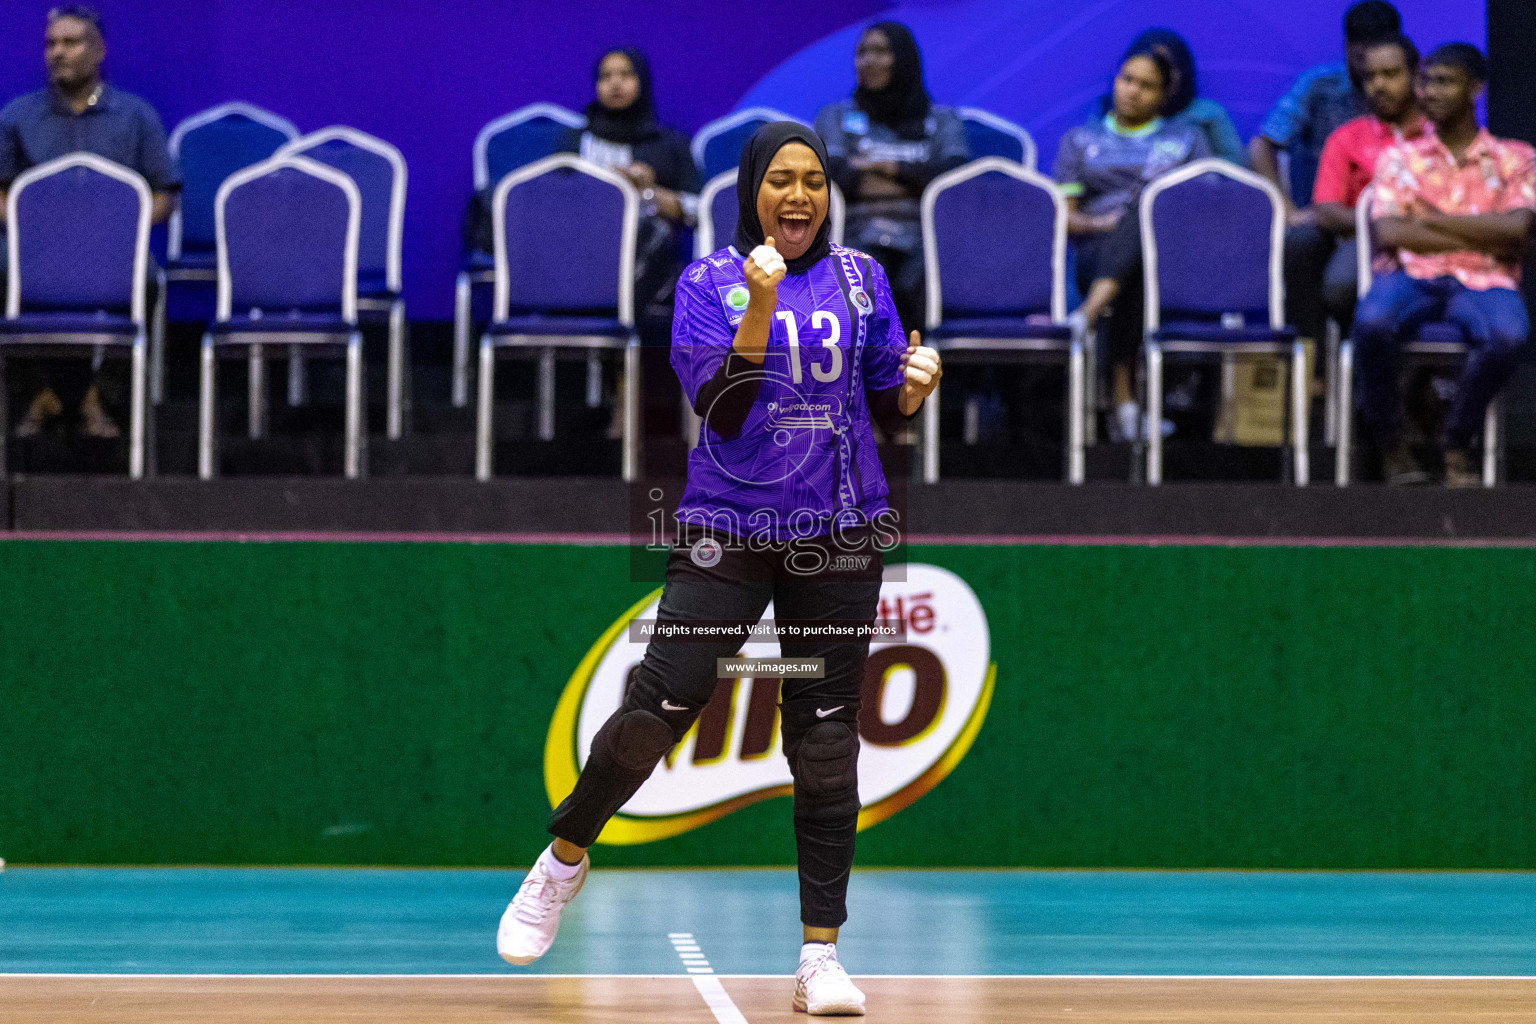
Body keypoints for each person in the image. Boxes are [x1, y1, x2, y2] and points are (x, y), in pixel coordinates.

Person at [494, 123, 942, 1017]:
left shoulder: (863, 279)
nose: (800, 196)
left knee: (823, 740)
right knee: (660, 705)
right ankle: (563, 859)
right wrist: (760, 308)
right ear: (750, 192)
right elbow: (724, 412)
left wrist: (914, 387)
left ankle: (821, 957)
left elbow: (886, 401)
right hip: (727, 528)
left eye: (814, 180)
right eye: (781, 180)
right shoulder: (705, 282)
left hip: (840, 533)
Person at [1354, 43, 1533, 487]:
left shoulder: (1517, 158)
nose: (1430, 92)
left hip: (1485, 279)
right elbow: (1393, 234)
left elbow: (1516, 231)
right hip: (1410, 275)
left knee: (1509, 335)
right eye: (1426, 82)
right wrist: (1481, 227)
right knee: (1372, 321)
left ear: (1475, 89)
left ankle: (1455, 440)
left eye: (1444, 82)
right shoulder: (1400, 158)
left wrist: (1433, 221)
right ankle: (1393, 442)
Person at [0, 6, 178, 440]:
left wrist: (117, 230)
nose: (57, 53)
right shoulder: (17, 117)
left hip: (112, 252)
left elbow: (164, 195)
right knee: (0, 272)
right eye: (50, 44)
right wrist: (29, 227)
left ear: (99, 51)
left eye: (71, 42)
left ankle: (103, 397)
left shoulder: (136, 116)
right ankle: (38, 395)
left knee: (149, 279)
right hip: (36, 251)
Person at [1057, 47, 1209, 442]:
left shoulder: (1187, 140)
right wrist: (1100, 222)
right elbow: (1064, 215)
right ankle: (1129, 407)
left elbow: (1204, 208)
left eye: (1146, 85)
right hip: (1096, 248)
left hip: (1171, 253)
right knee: (1136, 265)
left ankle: (1088, 318)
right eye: (1127, 79)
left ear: (1164, 95)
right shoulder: (1080, 139)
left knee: (1147, 208)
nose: (1133, 91)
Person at [1251, 1, 1402, 345]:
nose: (1373, 73)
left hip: (1389, 219)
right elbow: (1263, 143)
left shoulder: (1411, 93)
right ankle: (1311, 360)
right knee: (1299, 245)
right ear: (1348, 47)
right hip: (1324, 214)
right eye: (1361, 52)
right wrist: (1286, 208)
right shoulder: (1319, 87)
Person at [815, 21, 969, 332]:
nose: (868, 61)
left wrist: (887, 168)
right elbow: (836, 178)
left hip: (926, 237)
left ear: (904, 57)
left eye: (880, 52)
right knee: (865, 276)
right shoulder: (835, 117)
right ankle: (863, 379)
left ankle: (922, 377)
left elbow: (955, 181)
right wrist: (917, 184)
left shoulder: (942, 121)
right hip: (858, 233)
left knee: (924, 280)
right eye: (862, 52)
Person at [559, 47, 700, 336]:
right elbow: (555, 203)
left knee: (654, 232)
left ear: (642, 82)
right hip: (583, 252)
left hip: (650, 262)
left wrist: (647, 191)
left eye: (625, 74)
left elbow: (697, 210)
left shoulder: (669, 144)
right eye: (606, 76)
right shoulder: (573, 144)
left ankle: (621, 336)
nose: (615, 83)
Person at [1309, 34, 1427, 335]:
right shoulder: (1347, 137)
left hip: (1438, 239)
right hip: (1367, 239)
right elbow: (1326, 210)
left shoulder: (1440, 135)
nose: (1379, 86)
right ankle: (1362, 359)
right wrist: (1380, 223)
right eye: (1370, 77)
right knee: (1340, 287)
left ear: (1416, 75)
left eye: (1390, 74)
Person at [1090, 28, 1245, 166]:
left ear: (1182, 71)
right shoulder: (1107, 114)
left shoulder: (1204, 118)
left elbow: (1232, 173)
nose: (1134, 91)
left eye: (1165, 68)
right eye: (1128, 78)